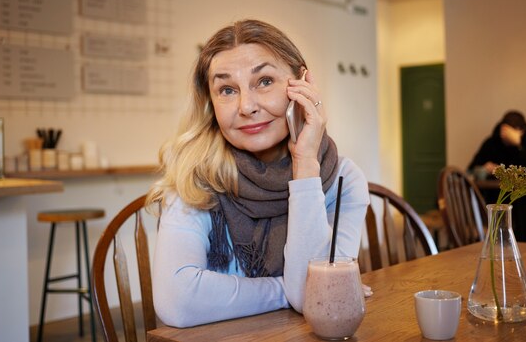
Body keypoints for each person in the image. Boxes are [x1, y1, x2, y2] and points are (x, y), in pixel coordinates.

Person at [145, 19, 369, 328]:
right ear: (211, 104)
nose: (246, 106)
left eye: (264, 81)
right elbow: (178, 302)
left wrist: (305, 164)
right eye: (226, 89)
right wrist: (286, 289)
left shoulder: (343, 179)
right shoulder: (195, 178)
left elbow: (316, 303)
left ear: (301, 84)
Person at [468, 110, 526, 242]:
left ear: (521, 131)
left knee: (524, 212)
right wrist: (484, 169)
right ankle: (500, 246)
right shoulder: (491, 143)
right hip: (496, 196)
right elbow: (471, 169)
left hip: (524, 198)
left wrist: (518, 146)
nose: (505, 134)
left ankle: (517, 246)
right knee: (496, 212)